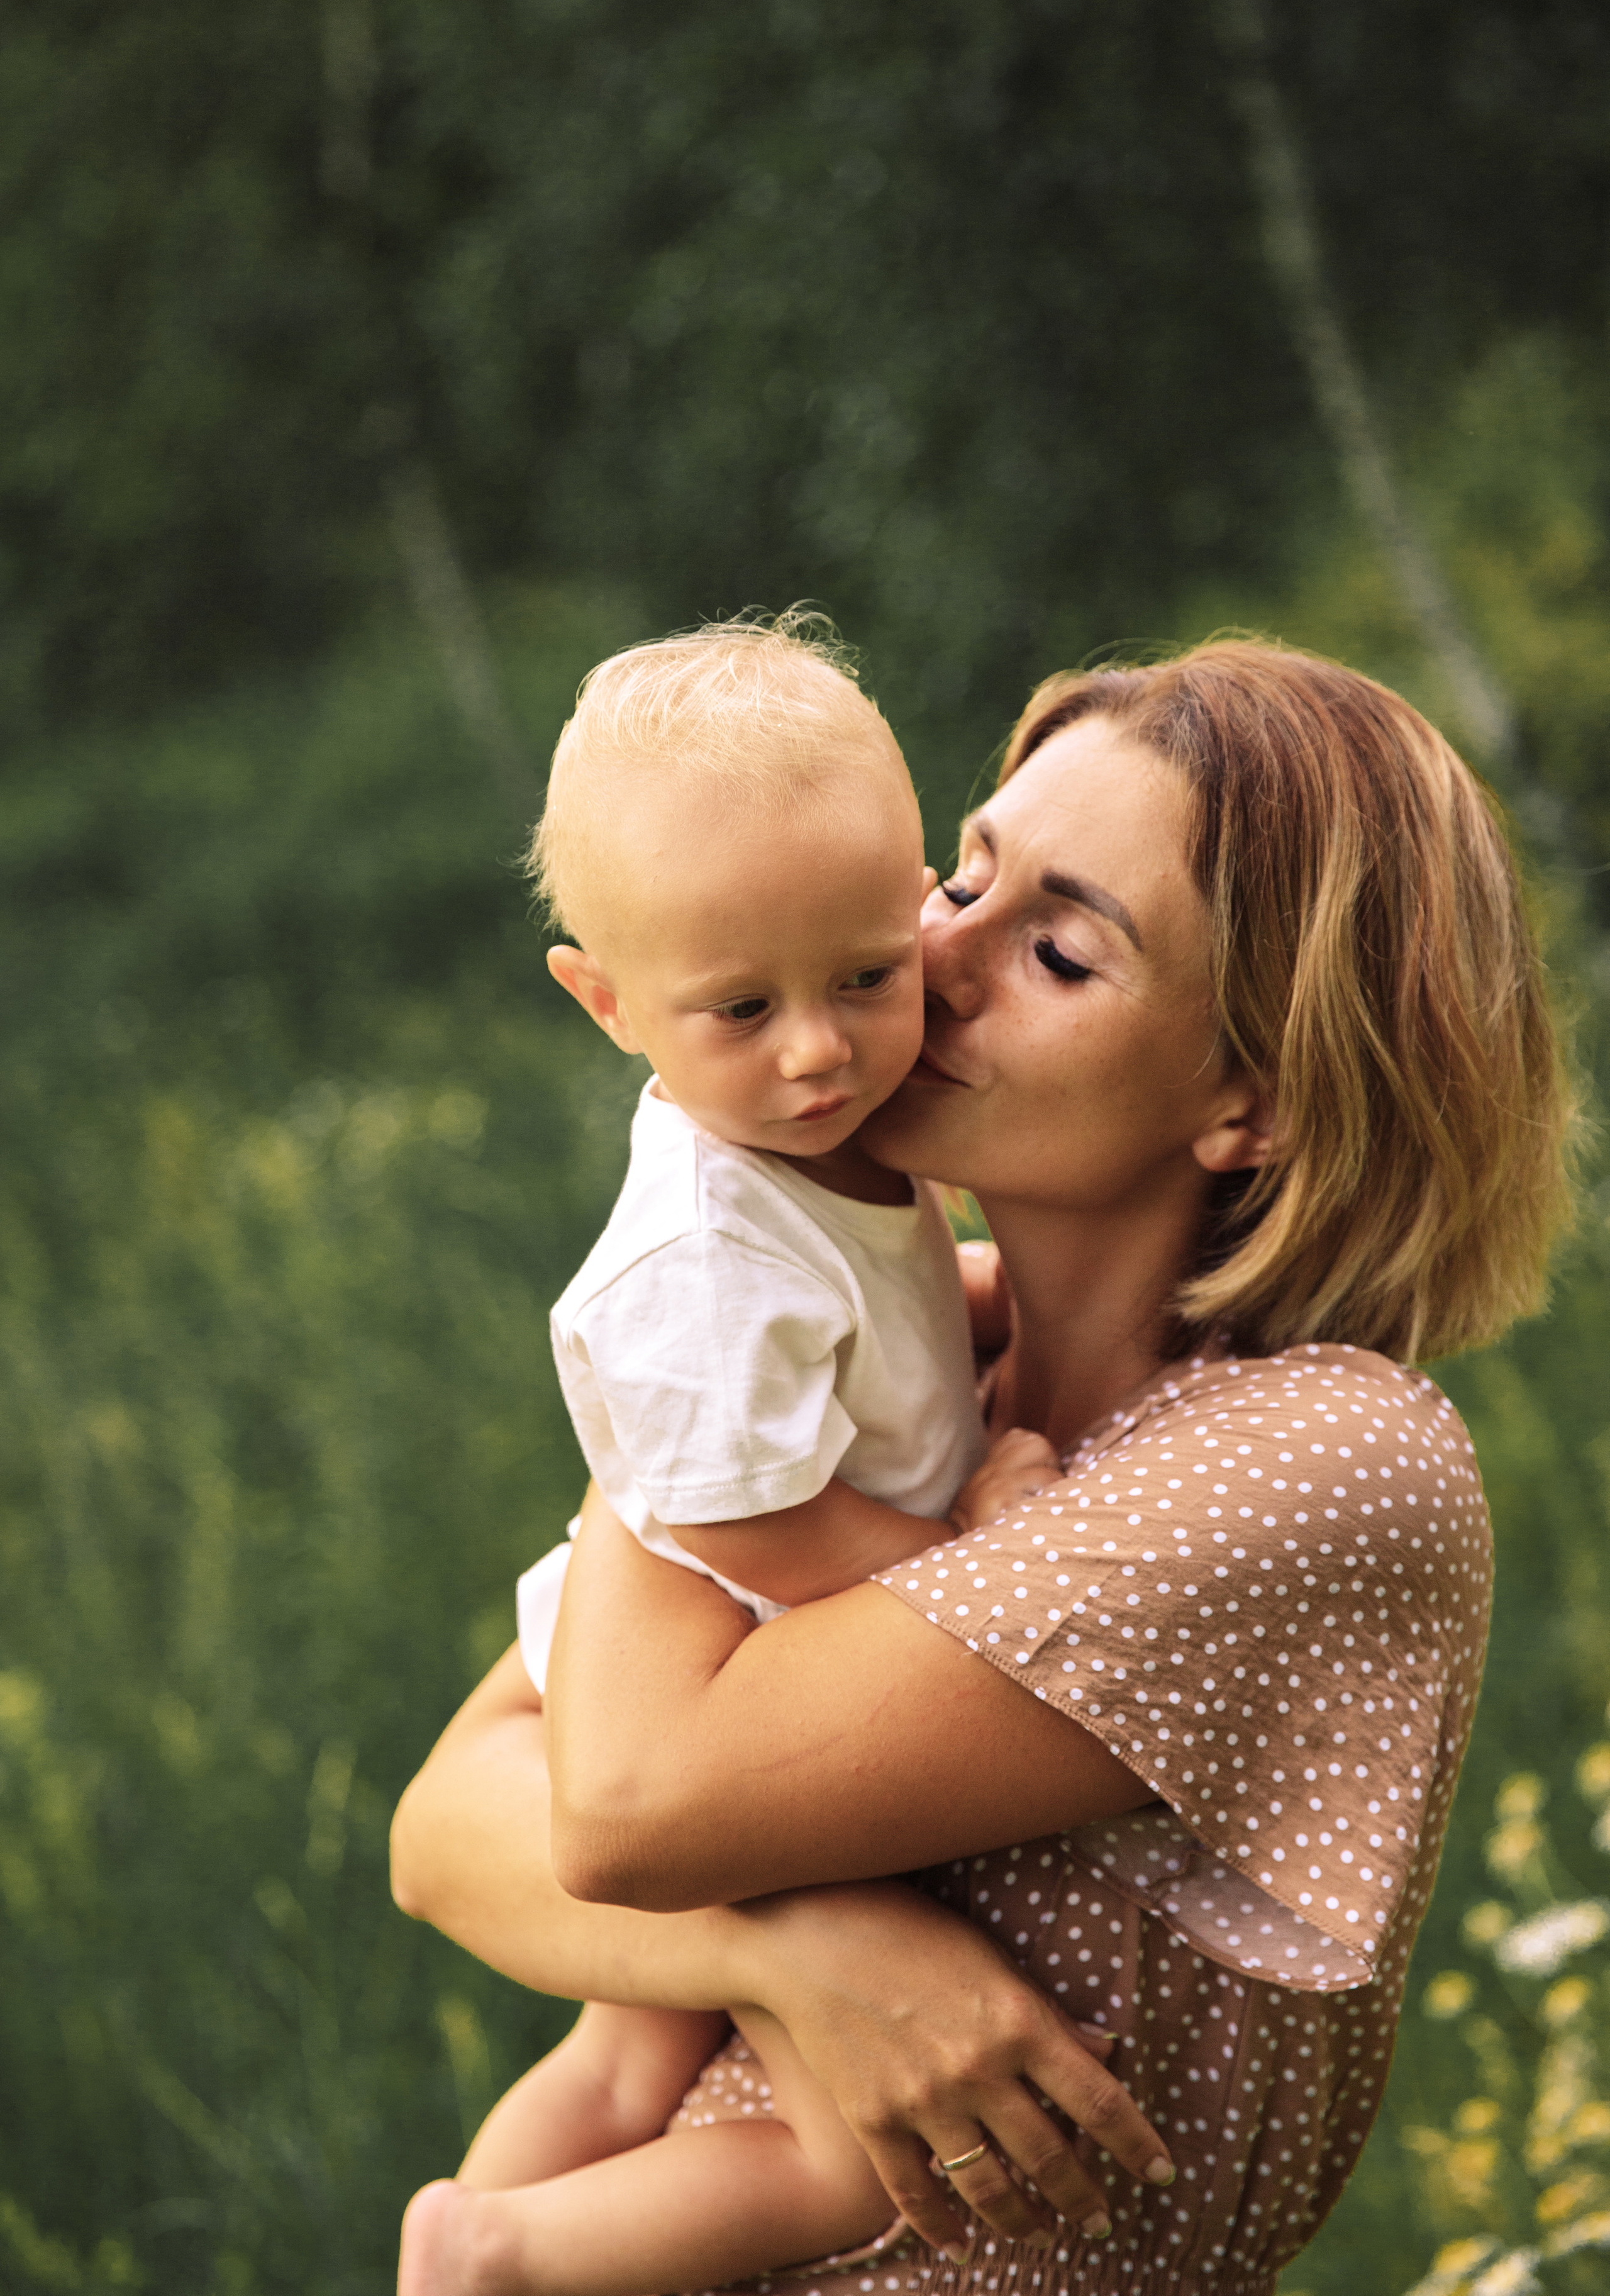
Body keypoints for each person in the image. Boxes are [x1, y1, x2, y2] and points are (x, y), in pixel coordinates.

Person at [392, 639, 1574, 2296]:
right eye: (963, 875)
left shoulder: (1315, 1458)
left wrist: (691, 1400)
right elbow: (445, 1829)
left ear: (1253, 1102)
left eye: (1062, 949)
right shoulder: (897, 1369)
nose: (934, 959)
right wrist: (824, 1954)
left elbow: (624, 1802)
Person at [402, 615, 1068, 2295]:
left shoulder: (825, 1147)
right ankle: (504, 2255)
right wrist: (972, 1555)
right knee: (851, 2159)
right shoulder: (702, 1251)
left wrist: (1013, 1299)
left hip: (733, 1643)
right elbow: (764, 1529)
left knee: (627, 2055)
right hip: (721, 1657)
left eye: (864, 975)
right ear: (605, 1000)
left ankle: (474, 2236)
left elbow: (889, 1312)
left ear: (917, 902)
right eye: (739, 1008)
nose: (817, 1049)